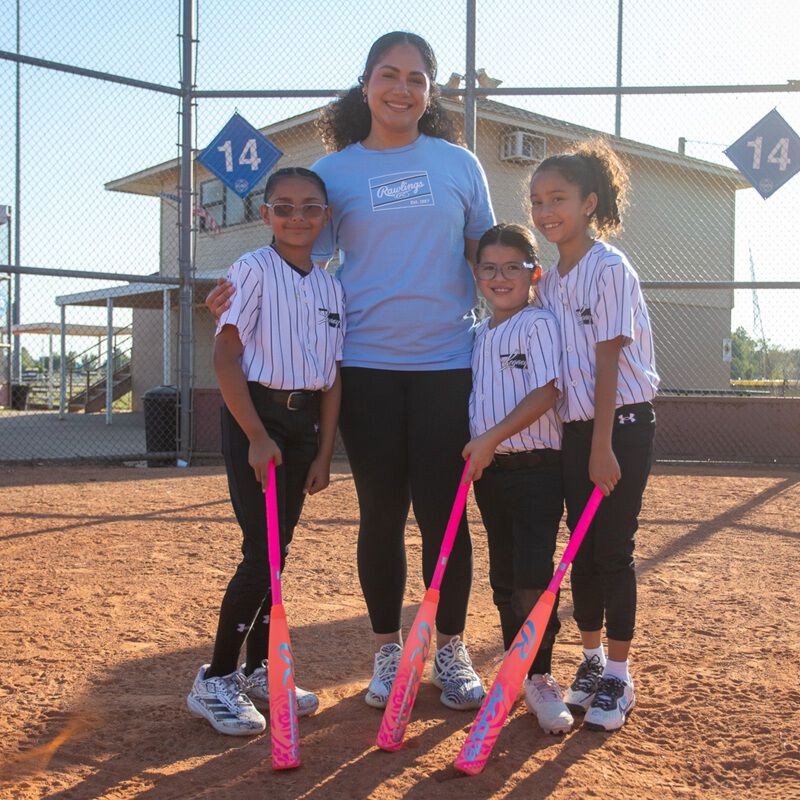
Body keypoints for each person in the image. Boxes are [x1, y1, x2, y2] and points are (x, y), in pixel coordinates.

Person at [207, 31, 495, 711]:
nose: (402, 89)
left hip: (448, 363)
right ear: (365, 85)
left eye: (417, 78)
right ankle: (388, 652)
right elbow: (297, 249)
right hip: (364, 367)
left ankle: (449, 648)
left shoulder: (459, 163)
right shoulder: (334, 173)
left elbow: (485, 255)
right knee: (382, 514)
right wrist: (238, 289)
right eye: (389, 75)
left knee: (446, 516)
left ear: (432, 92)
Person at [187, 167, 345, 735]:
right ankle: (215, 679)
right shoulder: (251, 269)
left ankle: (258, 669)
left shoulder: (330, 286)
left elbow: (334, 378)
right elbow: (226, 356)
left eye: (310, 207)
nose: (297, 217)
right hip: (258, 418)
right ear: (265, 214)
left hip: (303, 428)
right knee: (262, 554)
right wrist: (256, 435)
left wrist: (324, 452)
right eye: (284, 207)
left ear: (326, 215)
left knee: (277, 553)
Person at [529, 140, 659, 732]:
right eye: (537, 201)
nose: (545, 211)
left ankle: (620, 677)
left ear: (589, 203)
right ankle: (591, 660)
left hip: (621, 426)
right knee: (579, 548)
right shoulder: (550, 280)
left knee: (613, 549)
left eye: (558, 198)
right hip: (577, 429)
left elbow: (608, 362)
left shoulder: (609, 268)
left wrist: (603, 445)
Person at [461, 223, 573, 735]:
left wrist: (489, 438)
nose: (500, 276)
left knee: (531, 575)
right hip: (493, 475)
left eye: (512, 267)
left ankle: (541, 676)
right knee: (504, 578)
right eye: (489, 267)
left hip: (538, 471)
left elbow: (547, 392)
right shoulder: (479, 335)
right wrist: (482, 448)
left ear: (535, 273)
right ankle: (516, 673)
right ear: (476, 274)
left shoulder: (538, 324)